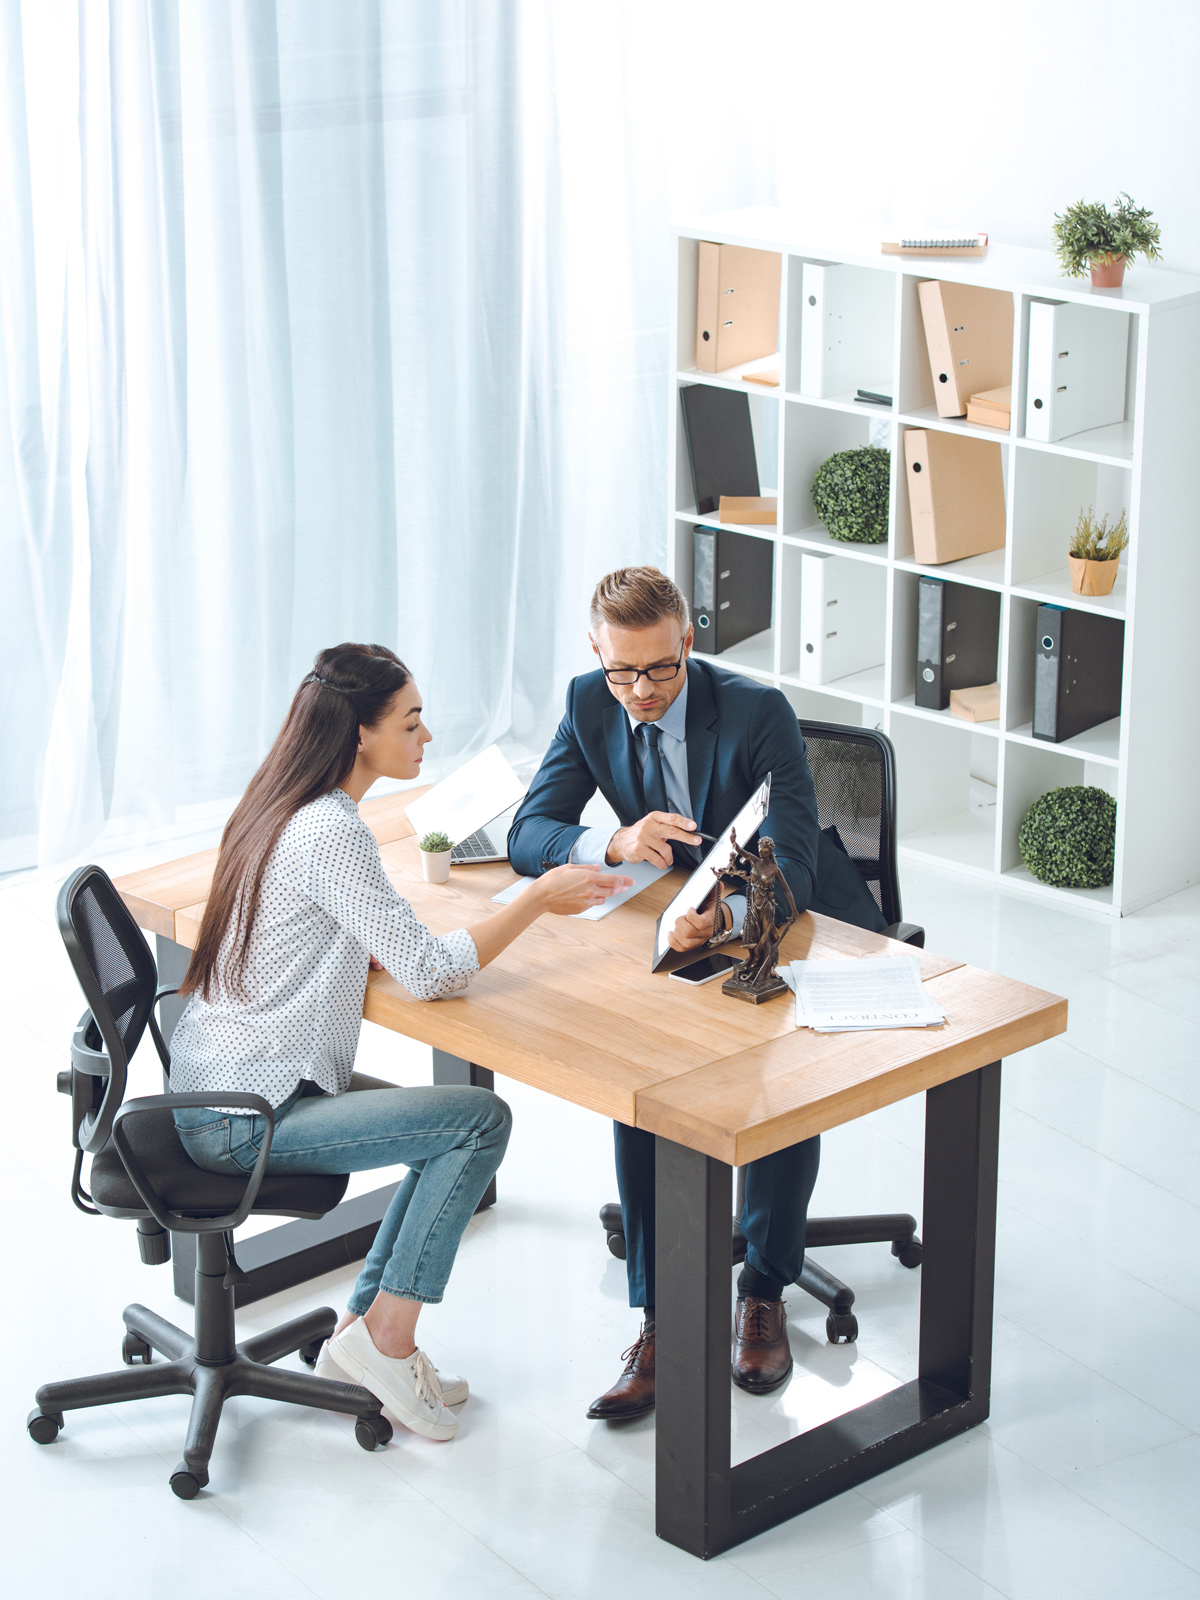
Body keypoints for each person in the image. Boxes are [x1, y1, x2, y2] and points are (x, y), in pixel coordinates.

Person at [170, 642, 630, 1442]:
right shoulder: (331, 830)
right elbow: (427, 972)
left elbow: (336, 930)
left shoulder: (284, 803)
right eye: (411, 721)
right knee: (477, 1123)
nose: (427, 738)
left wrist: (371, 939)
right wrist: (537, 898)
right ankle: (390, 1337)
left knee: (442, 1130)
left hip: (224, 1088)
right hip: (243, 1116)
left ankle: (361, 1336)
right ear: (360, 734)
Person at [507, 566, 828, 1418]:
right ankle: (659, 1315)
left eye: (660, 669)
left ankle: (762, 1288)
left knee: (776, 1082)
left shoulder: (758, 712)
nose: (640, 692)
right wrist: (613, 841)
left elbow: (796, 862)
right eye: (623, 672)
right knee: (639, 1088)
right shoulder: (589, 702)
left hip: (780, 923)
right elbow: (528, 832)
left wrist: (722, 913)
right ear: (597, 654)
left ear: (688, 644)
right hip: (664, 925)